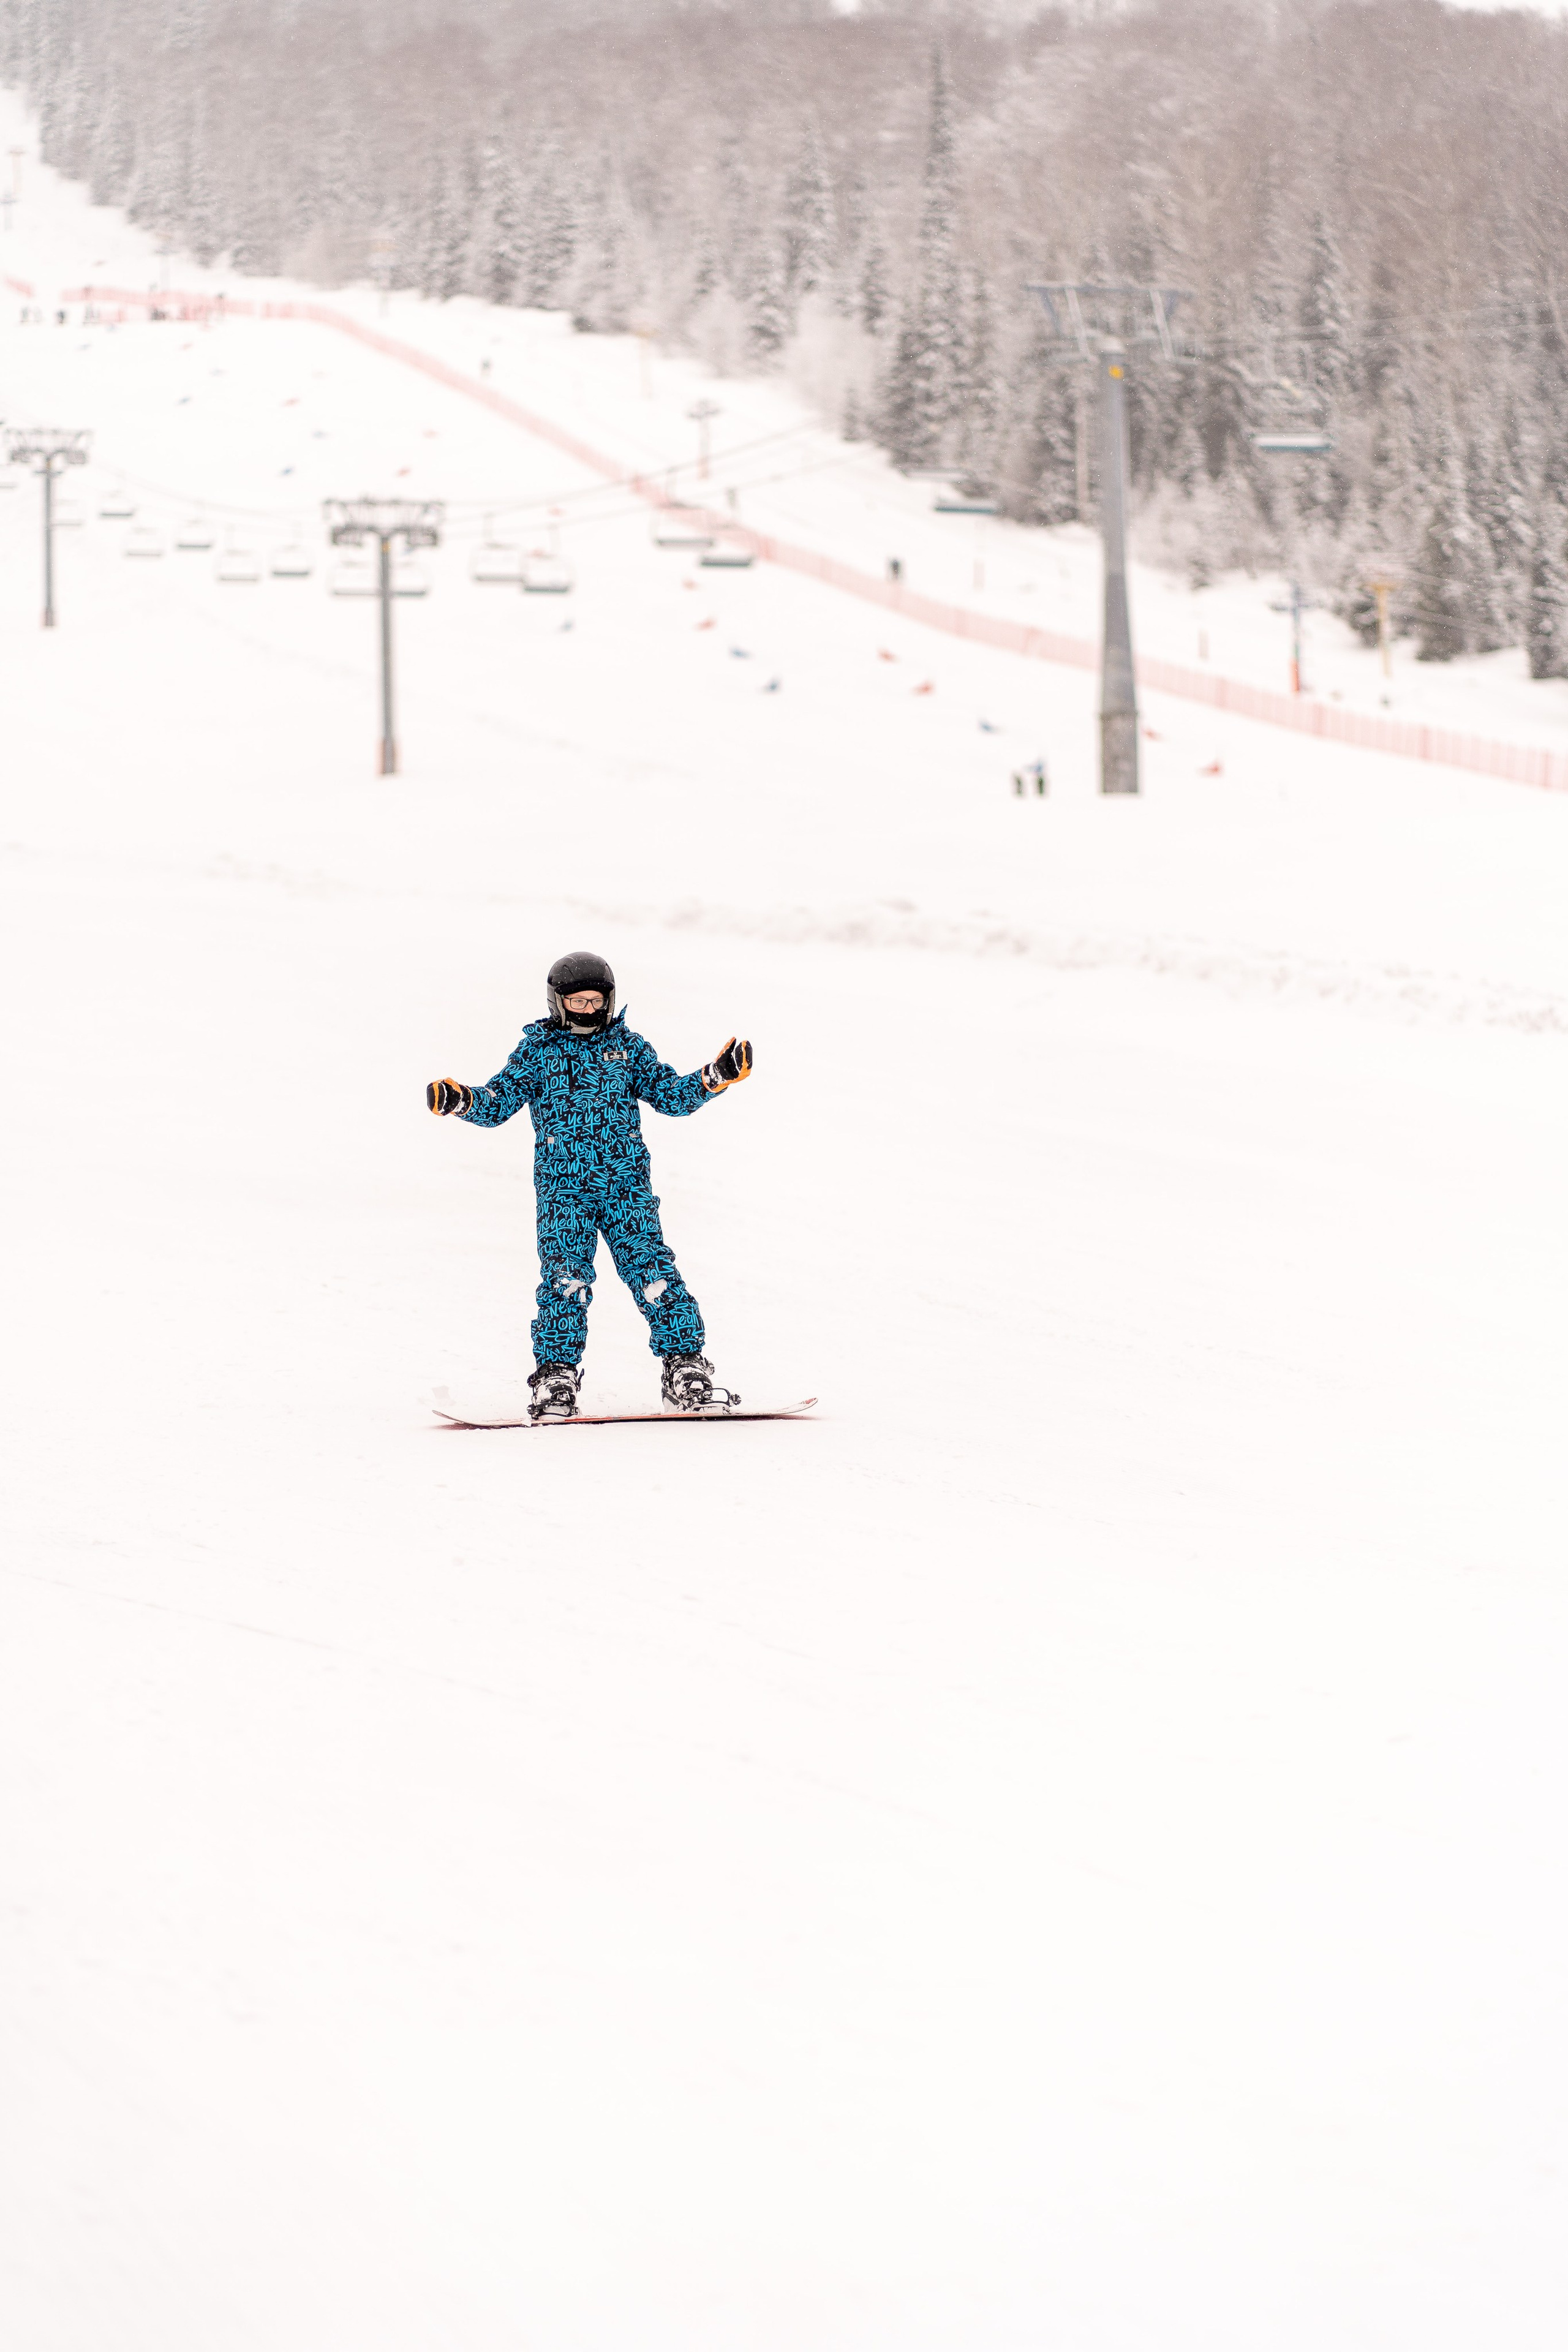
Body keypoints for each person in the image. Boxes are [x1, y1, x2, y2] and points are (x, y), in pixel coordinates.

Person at [426, 951, 752, 1420]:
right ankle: (556, 1377)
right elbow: (497, 1103)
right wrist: (462, 1101)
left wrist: (712, 1078)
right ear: (557, 1003)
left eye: (595, 1001)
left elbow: (670, 1096)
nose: (587, 1010)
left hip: (626, 1188)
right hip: (565, 1192)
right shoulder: (539, 1052)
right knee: (566, 1282)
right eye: (576, 1002)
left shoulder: (628, 1048)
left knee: (654, 1274)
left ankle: (685, 1368)